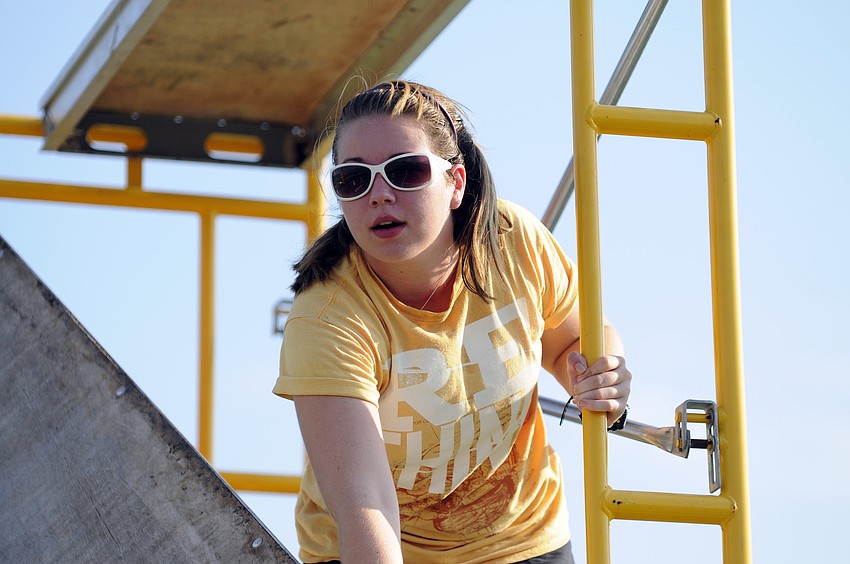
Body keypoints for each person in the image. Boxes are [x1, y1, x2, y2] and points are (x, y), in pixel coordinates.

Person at [273, 80, 631, 563]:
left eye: (406, 170)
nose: (379, 195)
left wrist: (599, 377)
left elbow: (573, 341)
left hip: (523, 540)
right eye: (354, 179)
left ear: (456, 183)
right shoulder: (326, 318)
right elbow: (367, 507)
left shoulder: (511, 241)